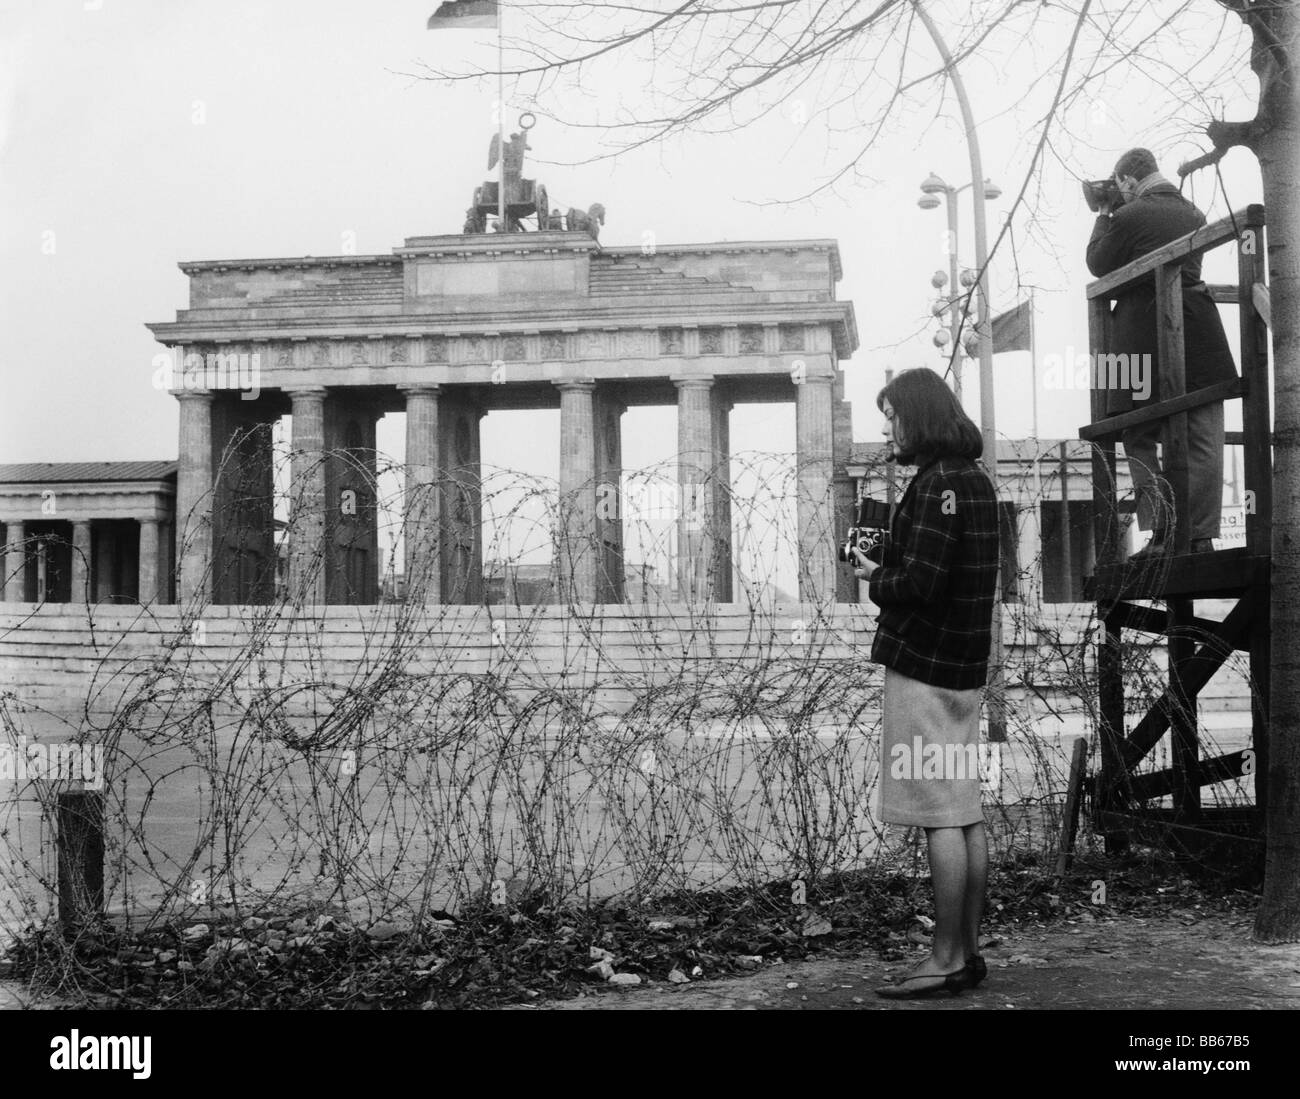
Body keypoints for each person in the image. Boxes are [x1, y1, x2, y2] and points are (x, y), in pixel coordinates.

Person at [851, 367, 1000, 998]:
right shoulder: (976, 481)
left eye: (893, 416)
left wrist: (871, 575)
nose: (889, 427)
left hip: (925, 668)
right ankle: (967, 952)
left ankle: (943, 959)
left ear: (919, 415)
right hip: (964, 668)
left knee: (940, 816)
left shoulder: (938, 482)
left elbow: (923, 584)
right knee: (965, 814)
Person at [1086, 147, 1238, 558]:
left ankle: (1163, 533)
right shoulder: (1193, 211)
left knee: (1139, 434)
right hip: (1200, 327)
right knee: (1205, 434)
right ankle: (1201, 535)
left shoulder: (1128, 215)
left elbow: (1097, 263)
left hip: (1138, 332)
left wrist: (1104, 212)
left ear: (1126, 181)